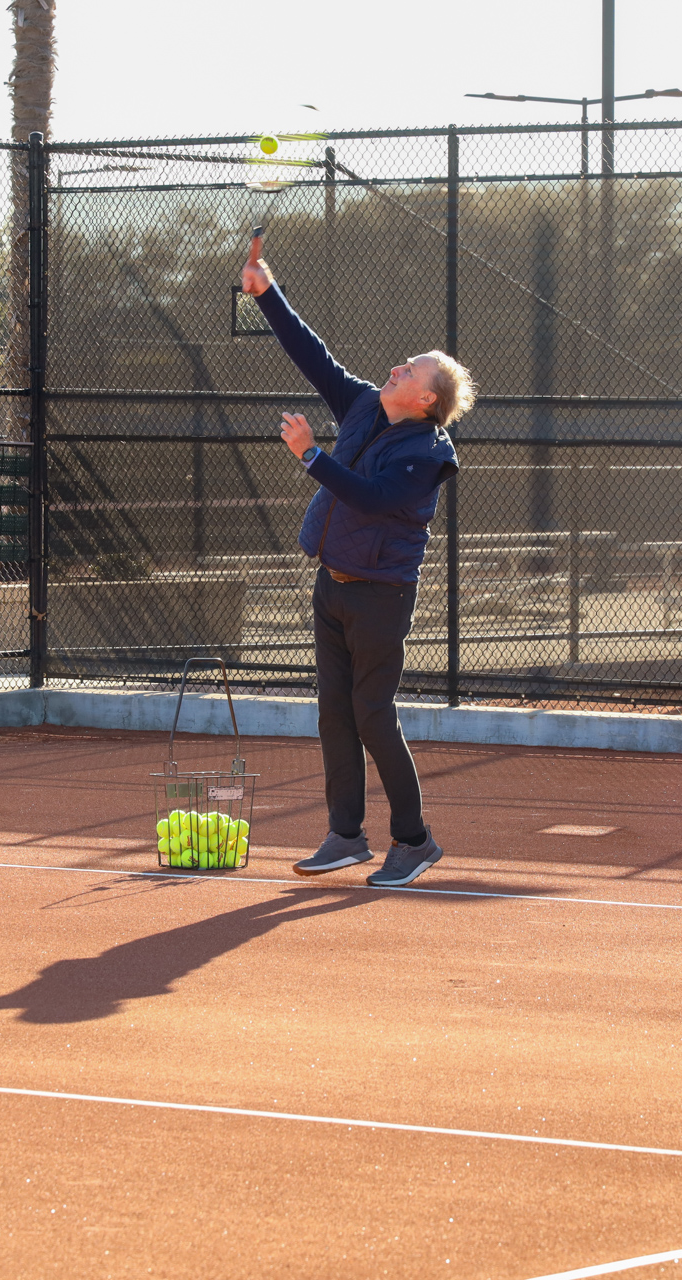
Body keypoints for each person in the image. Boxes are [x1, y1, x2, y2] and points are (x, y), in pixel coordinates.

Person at [240, 234, 473, 887]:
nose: (396, 370)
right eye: (400, 366)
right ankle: (346, 836)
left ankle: (414, 841)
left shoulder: (427, 454)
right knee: (333, 711)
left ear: (425, 399)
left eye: (410, 371)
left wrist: (313, 457)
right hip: (332, 584)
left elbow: (371, 500)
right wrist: (267, 294)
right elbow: (312, 356)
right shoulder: (367, 404)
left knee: (372, 714)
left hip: (380, 595)